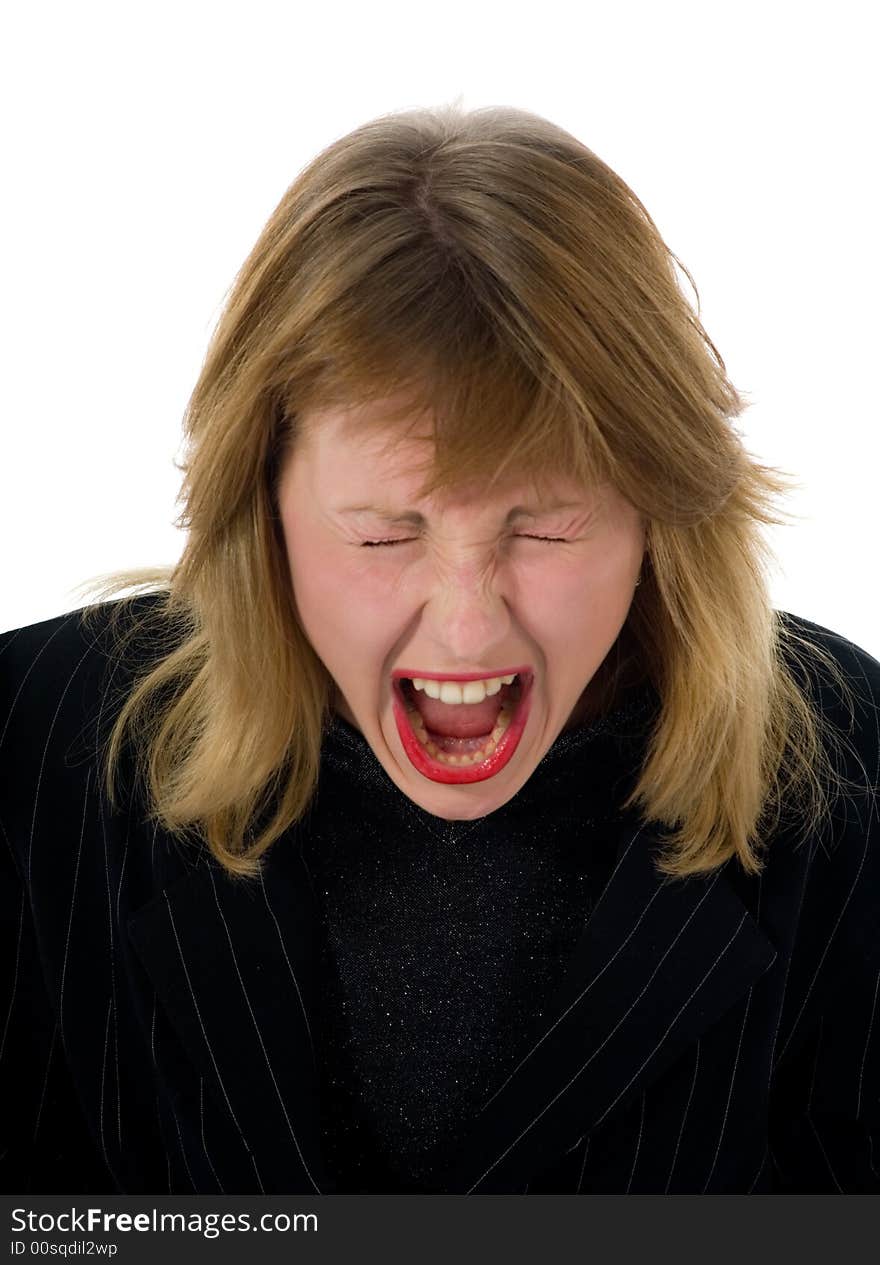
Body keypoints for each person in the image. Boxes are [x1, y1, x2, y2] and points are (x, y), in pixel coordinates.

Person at [2, 102, 878, 1197]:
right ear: (259, 504)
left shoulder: (860, 768)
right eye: (383, 533)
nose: (466, 623)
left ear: (659, 508)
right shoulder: (21, 741)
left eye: (545, 525)